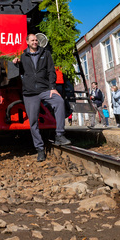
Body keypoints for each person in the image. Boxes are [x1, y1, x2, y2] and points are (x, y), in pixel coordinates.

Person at [12, 33, 70, 162]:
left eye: (36, 40)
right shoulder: (23, 56)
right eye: (32, 40)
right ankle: (39, 149)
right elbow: (21, 72)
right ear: (27, 42)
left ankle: (60, 134)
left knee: (59, 101)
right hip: (30, 93)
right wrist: (16, 63)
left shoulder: (46, 53)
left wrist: (53, 88)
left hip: (45, 89)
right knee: (33, 122)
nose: (35, 42)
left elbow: (51, 71)